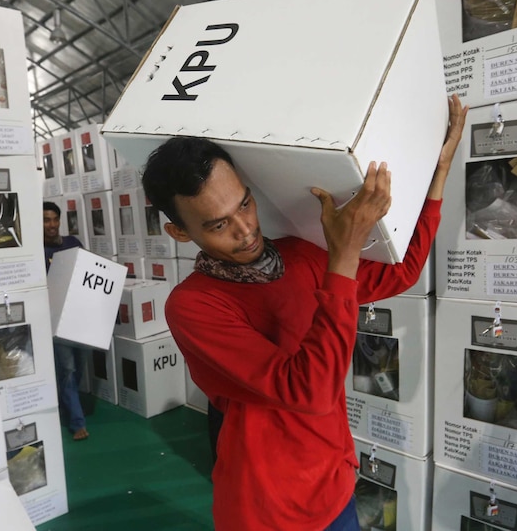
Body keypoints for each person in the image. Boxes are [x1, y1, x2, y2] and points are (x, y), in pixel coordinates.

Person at [140, 95, 468, 531]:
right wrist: (344, 252)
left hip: (334, 485)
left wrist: (439, 170)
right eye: (218, 225)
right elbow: (307, 391)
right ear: (179, 232)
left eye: (244, 203)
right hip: (268, 511)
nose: (246, 229)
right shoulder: (193, 306)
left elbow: (403, 272)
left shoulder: (298, 256)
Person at [43, 201, 90, 441]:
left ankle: (67, 403)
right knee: (68, 369)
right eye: (46, 220)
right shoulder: (38, 251)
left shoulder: (73, 244)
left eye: (54, 219)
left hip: (78, 317)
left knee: (78, 366)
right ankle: (77, 422)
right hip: (55, 319)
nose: (51, 225)